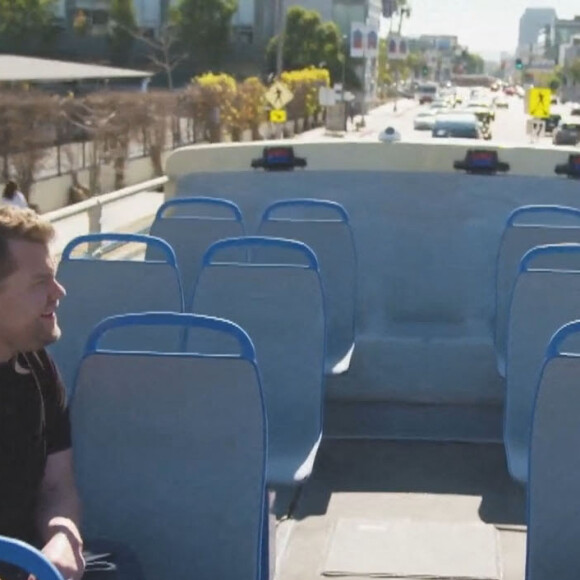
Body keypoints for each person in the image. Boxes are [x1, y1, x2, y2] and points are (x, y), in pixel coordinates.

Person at [0, 207, 142, 580]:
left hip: (29, 565)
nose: (58, 292)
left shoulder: (37, 368)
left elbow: (56, 484)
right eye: (40, 282)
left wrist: (62, 537)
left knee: (120, 564)